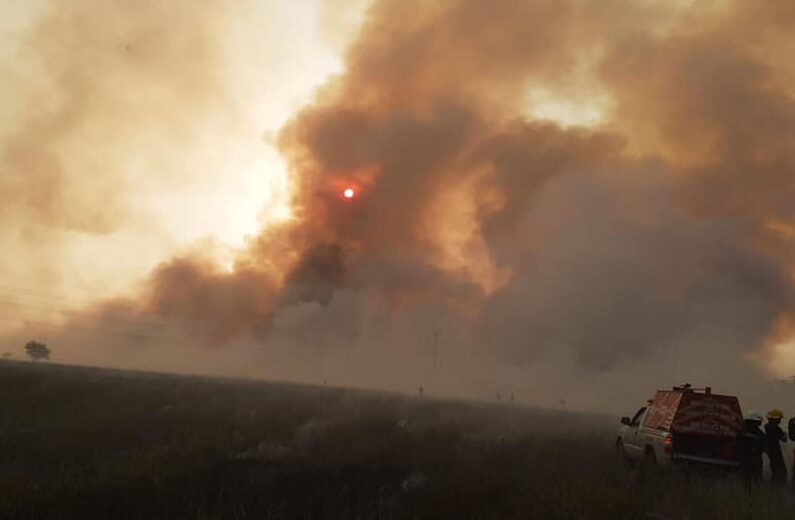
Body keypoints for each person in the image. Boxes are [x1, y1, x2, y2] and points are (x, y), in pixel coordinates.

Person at [736, 411, 765, 481]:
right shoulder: (760, 434)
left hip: (743, 459)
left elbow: (738, 442)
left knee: (745, 479)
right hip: (754, 460)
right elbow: (763, 447)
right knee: (756, 479)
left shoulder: (741, 431)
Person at [765, 409, 787, 483]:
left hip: (769, 452)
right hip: (776, 452)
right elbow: (784, 439)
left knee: (774, 470)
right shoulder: (777, 429)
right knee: (781, 472)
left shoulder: (766, 427)